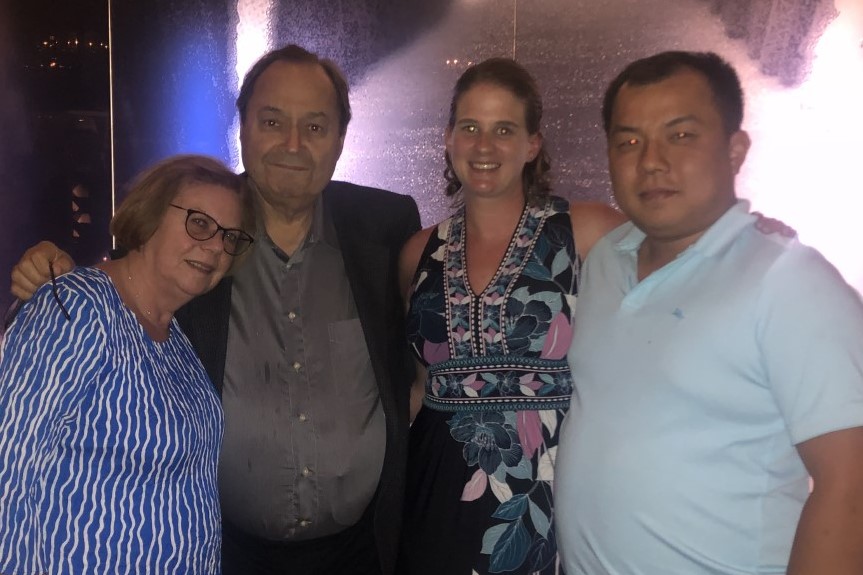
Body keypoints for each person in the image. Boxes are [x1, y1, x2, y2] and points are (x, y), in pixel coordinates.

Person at [9, 45, 421, 575]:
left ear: (341, 139)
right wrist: (52, 272)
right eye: (272, 121)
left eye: (316, 127)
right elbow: (130, 277)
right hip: (228, 551)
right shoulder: (206, 230)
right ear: (243, 128)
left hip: (359, 551)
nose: (293, 144)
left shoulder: (385, 226)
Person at [555, 50, 863, 575]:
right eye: (628, 141)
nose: (651, 161)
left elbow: (850, 484)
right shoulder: (604, 259)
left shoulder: (788, 281)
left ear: (735, 150)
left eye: (681, 135)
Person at [397, 57, 624, 574]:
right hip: (436, 498)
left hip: (554, 492)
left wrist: (744, 232)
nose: (484, 146)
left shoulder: (587, 231)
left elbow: (680, 268)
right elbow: (418, 386)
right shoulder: (417, 253)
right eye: (470, 127)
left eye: (504, 129)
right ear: (448, 138)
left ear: (532, 144)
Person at [0, 154, 254, 574]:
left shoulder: (174, 335)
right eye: (199, 223)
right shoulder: (80, 307)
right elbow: (7, 470)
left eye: (230, 236)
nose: (214, 246)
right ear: (150, 215)